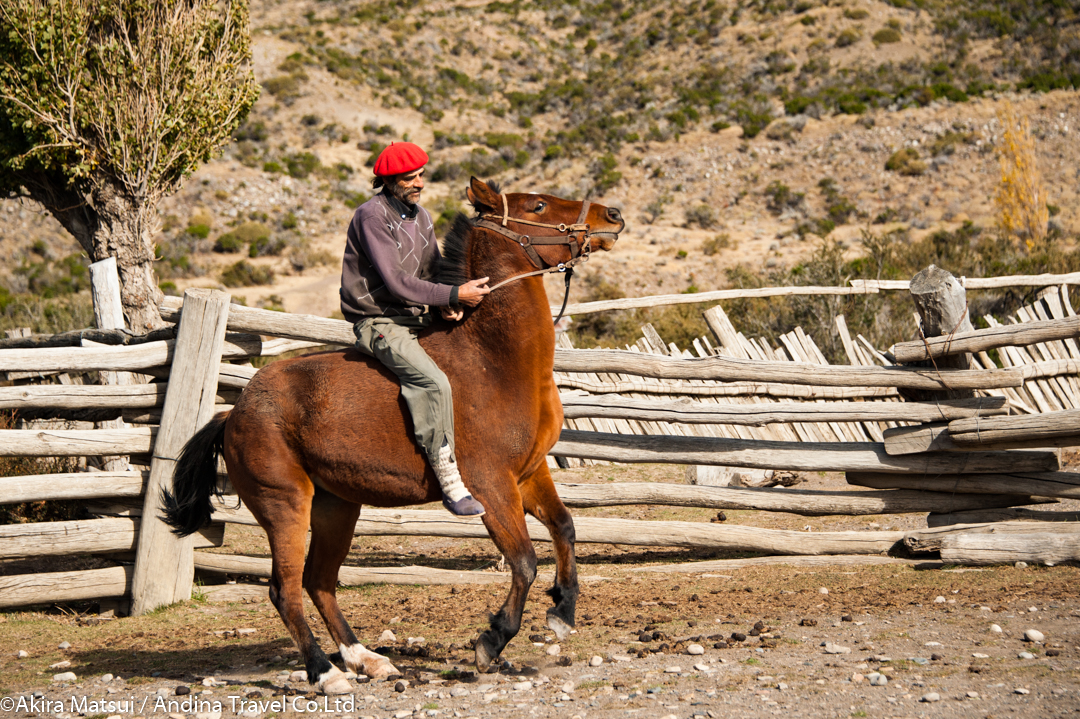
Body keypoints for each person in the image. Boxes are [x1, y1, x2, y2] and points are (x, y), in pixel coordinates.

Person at [340, 141, 490, 516]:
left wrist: (448, 305)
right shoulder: (371, 216)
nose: (419, 182)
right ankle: (449, 480)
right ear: (388, 181)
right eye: (410, 177)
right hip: (378, 320)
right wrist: (454, 293)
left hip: (417, 317)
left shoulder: (421, 216)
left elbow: (431, 271)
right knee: (433, 382)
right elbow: (397, 283)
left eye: (421, 175)